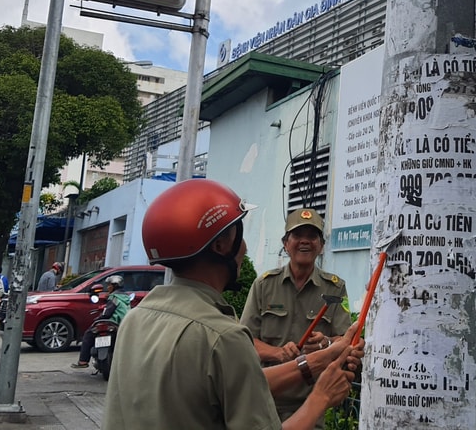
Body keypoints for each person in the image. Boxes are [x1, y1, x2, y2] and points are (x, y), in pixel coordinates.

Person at [102, 179, 363, 430]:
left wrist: (319, 358)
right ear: (221, 245)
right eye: (240, 235)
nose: (245, 248)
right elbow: (240, 363)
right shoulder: (224, 336)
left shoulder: (134, 320)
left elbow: (235, 382)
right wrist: (321, 397)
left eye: (312, 236)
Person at [241, 208, 350, 427]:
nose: (305, 242)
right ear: (285, 243)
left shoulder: (336, 288)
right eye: (298, 235)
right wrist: (278, 353)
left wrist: (326, 343)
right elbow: (244, 341)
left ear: (321, 246)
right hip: (266, 399)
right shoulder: (264, 285)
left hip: (311, 401)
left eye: (312, 236)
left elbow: (346, 341)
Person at [71, 274, 131, 369]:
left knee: (88, 334)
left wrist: (98, 319)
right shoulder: (126, 299)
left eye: (109, 285)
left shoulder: (114, 298)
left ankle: (83, 361)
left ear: (115, 286)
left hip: (112, 323)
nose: (108, 287)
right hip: (122, 325)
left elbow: (107, 313)